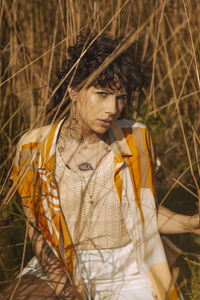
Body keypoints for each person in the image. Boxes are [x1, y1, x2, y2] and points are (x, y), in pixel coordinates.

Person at [3, 35, 199, 300]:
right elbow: (37, 229)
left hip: (127, 268)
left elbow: (144, 211)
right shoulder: (33, 148)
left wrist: (189, 224)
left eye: (120, 97)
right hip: (62, 264)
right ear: (73, 90)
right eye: (102, 94)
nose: (112, 109)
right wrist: (65, 289)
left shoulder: (136, 139)